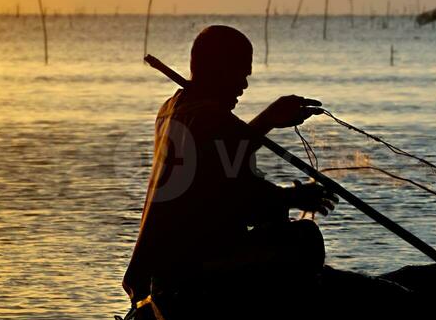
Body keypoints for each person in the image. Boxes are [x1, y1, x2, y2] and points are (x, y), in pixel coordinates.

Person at [123, 24, 338, 301]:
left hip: (157, 269)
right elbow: (242, 199)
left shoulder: (172, 108)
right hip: (188, 268)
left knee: (275, 221)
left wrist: (269, 119)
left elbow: (222, 153)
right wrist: (293, 196)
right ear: (217, 69)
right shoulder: (208, 118)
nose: (244, 85)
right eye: (240, 74)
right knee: (304, 238)